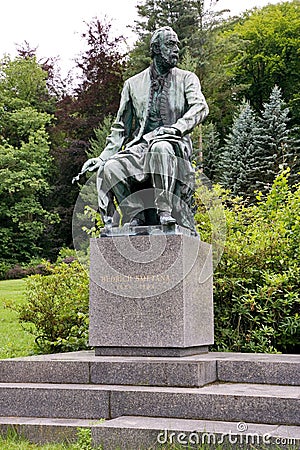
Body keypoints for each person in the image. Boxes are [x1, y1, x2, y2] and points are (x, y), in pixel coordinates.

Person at [77, 26, 209, 231]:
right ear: (156, 48)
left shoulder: (186, 78)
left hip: (173, 143)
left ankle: (164, 211)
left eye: (177, 44)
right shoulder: (132, 84)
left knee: (161, 148)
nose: (177, 49)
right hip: (142, 146)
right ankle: (134, 214)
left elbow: (200, 107)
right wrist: (102, 157)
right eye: (171, 44)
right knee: (111, 167)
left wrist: (176, 128)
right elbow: (120, 128)